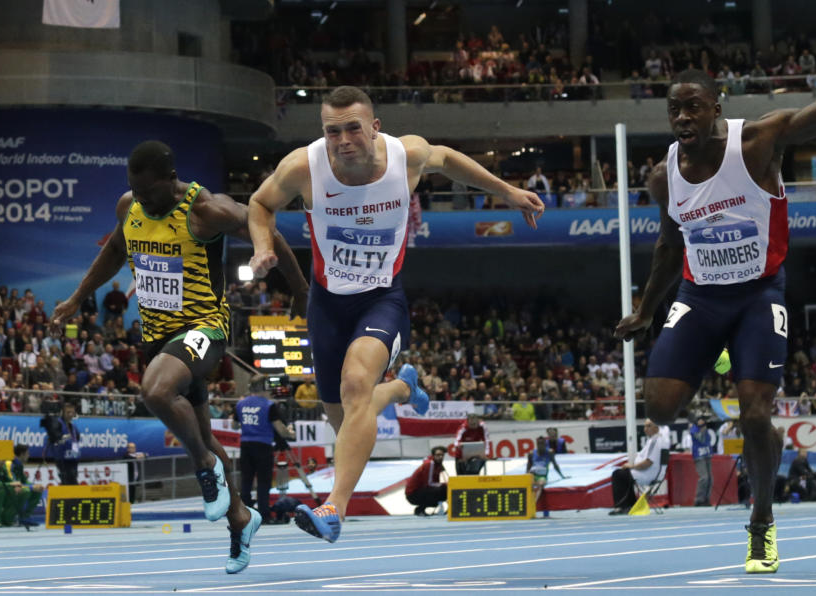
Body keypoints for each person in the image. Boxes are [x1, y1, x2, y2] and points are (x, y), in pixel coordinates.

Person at [613, 6, 816, 574]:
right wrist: (642, 310)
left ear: (716, 107)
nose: (682, 117)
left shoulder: (756, 142)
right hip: (700, 296)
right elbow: (667, 246)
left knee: (754, 414)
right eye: (674, 108)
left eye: (693, 106)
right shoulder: (664, 175)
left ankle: (761, 524)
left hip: (758, 294)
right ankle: (722, 352)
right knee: (659, 405)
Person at [247, 86, 544, 543]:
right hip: (326, 304)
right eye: (332, 131)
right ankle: (403, 387)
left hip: (381, 298)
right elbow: (261, 203)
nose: (343, 139)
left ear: (374, 128)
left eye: (352, 128)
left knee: (355, 387)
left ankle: (333, 508)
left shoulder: (406, 156)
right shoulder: (304, 166)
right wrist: (264, 247)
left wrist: (507, 192)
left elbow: (446, 157)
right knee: (347, 421)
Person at [52, 140, 308, 574]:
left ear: (171, 181)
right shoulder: (130, 206)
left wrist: (302, 293)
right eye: (135, 190)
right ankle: (241, 519)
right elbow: (116, 250)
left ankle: (205, 469)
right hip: (158, 337)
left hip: (204, 330)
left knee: (156, 389)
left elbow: (270, 230)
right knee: (201, 435)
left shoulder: (207, 210)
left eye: (149, 192)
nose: (142, 200)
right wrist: (78, 297)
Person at [233, 375, 298, 522]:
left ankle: (243, 515)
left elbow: (234, 425)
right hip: (263, 446)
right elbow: (280, 430)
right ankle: (264, 514)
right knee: (263, 481)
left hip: (246, 445)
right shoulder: (268, 405)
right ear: (264, 388)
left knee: (246, 480)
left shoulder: (240, 404)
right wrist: (290, 432)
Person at [609, 419, 662, 515]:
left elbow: (647, 463)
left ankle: (622, 506)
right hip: (646, 473)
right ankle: (630, 505)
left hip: (646, 474)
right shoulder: (653, 440)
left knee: (618, 474)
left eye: (649, 426)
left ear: (656, 427)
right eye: (645, 426)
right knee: (623, 474)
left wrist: (632, 466)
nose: (645, 429)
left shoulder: (655, 442)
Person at [6, 444, 44, 527]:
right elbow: (13, 483)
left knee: (38, 491)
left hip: (17, 487)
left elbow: (24, 481)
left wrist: (35, 486)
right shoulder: (10, 464)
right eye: (27, 454)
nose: (29, 456)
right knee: (26, 491)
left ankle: (25, 517)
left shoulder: (19, 465)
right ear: (22, 454)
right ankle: (12, 516)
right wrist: (31, 487)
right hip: (7, 489)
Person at [527, 436, 565, 517]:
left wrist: (562, 476)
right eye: (539, 444)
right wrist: (525, 479)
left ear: (545, 444)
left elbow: (555, 465)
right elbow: (528, 468)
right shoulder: (531, 453)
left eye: (542, 444)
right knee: (530, 487)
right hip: (532, 475)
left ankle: (532, 505)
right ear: (536, 444)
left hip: (542, 476)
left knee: (540, 485)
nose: (540, 445)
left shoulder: (550, 453)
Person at [405, 445, 448, 516]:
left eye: (442, 455)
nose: (440, 457)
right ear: (433, 455)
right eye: (438, 455)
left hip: (419, 491)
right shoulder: (430, 464)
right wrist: (445, 484)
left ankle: (420, 509)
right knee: (444, 489)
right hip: (413, 494)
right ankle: (420, 509)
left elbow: (435, 482)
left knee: (443, 490)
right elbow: (429, 483)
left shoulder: (437, 465)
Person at [690, 416, 714, 506]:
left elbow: (709, 440)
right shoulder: (693, 429)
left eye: (703, 421)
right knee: (704, 478)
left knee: (710, 479)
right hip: (699, 455)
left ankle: (706, 499)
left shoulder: (705, 429)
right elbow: (702, 439)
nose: (702, 422)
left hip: (707, 454)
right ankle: (699, 499)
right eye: (700, 421)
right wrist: (703, 429)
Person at [55, 402, 81, 485]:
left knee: (72, 480)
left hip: (73, 457)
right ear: (62, 413)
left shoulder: (73, 426)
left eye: (72, 412)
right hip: (63, 459)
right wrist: (65, 437)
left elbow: (77, 438)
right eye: (68, 412)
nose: (70, 414)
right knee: (69, 482)